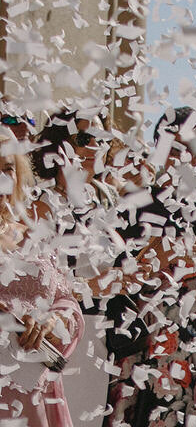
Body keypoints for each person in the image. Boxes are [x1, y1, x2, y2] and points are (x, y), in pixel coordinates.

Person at [0, 127, 84, 427]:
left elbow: (66, 300)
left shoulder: (34, 235)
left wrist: (53, 324)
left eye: (8, 168)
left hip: (33, 395)